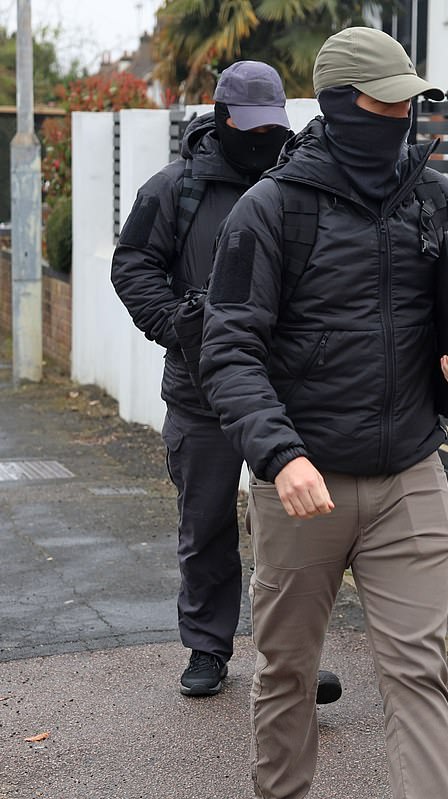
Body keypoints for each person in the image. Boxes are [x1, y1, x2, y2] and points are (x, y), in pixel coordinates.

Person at [199, 28, 448, 799]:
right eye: (387, 101)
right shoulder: (270, 210)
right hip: (303, 484)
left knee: (419, 670)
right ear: (341, 103)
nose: (403, 115)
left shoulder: (437, 198)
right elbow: (229, 347)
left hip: (411, 473)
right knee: (288, 668)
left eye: (410, 101)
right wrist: (280, 455)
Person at [110, 61, 342, 706]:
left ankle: (292, 659)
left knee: (296, 535)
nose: (264, 139)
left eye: (274, 127)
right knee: (207, 526)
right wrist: (176, 327)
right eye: (251, 126)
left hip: (287, 394)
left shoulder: (299, 184)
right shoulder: (174, 188)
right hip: (200, 393)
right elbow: (133, 265)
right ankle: (208, 647)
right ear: (221, 119)